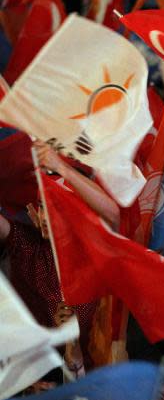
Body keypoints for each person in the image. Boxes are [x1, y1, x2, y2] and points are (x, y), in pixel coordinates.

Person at [0, 142, 120, 370]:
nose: (47, 216)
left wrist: (61, 167)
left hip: (85, 375)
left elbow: (112, 215)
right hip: (24, 372)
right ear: (34, 214)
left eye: (57, 207)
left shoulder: (94, 257)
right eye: (42, 207)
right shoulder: (28, 246)